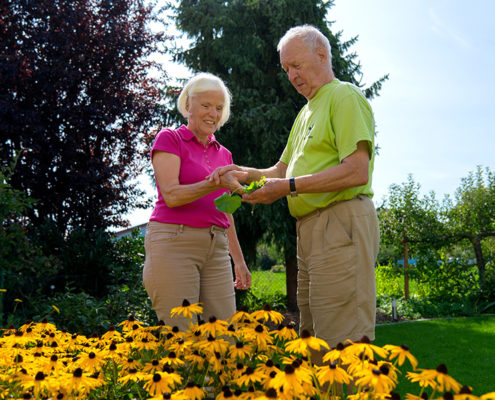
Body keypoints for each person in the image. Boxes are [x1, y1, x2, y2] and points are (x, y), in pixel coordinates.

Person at [209, 25, 380, 350]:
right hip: (309, 230)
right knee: (315, 340)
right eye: (286, 69)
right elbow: (279, 170)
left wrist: (285, 187)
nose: (291, 75)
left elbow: (357, 171)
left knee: (344, 342)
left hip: (340, 221)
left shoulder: (344, 96)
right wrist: (243, 173)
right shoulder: (305, 113)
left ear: (321, 55)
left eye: (296, 65)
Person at [143, 72, 251, 331]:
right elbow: (171, 195)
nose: (213, 114)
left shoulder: (225, 154)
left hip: (216, 248)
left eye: (218, 108)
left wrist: (238, 260)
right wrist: (213, 183)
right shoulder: (170, 139)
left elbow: (226, 213)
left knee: (224, 338)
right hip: (173, 242)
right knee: (182, 337)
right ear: (188, 105)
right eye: (205, 106)